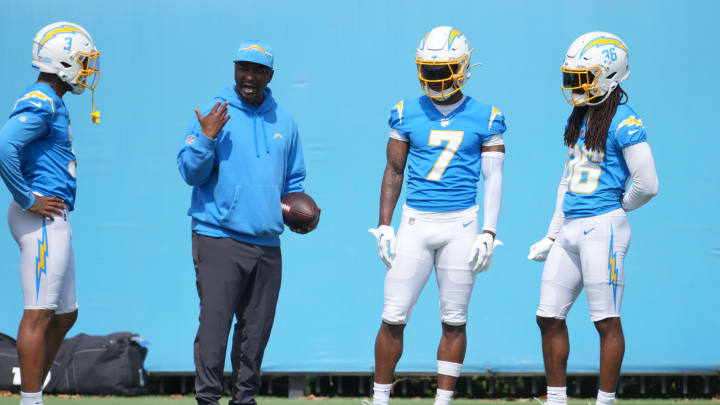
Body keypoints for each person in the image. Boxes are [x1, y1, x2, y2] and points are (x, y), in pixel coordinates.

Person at [367, 26, 505, 405]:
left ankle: (442, 402)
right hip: (415, 222)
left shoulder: (487, 116)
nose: (435, 77)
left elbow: (493, 178)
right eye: (429, 69)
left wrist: (489, 231)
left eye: (443, 69)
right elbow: (393, 171)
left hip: (462, 223)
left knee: (454, 319)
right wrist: (384, 225)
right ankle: (380, 399)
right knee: (393, 316)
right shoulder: (405, 111)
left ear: (462, 68)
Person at [177, 40, 317, 405]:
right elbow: (190, 173)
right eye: (243, 68)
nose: (249, 77)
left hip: (268, 244)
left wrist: (302, 213)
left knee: (255, 332)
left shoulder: (284, 122)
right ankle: (207, 398)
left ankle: (244, 399)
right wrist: (206, 138)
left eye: (257, 70)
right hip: (218, 237)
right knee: (215, 326)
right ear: (235, 70)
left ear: (270, 76)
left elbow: (294, 184)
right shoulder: (214, 112)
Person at [527, 32, 659, 405]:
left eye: (583, 76)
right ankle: (556, 399)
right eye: (573, 76)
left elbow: (648, 183)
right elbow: (566, 181)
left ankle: (605, 401)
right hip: (570, 228)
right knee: (547, 315)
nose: (575, 85)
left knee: (605, 320)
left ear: (610, 73)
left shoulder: (625, 120)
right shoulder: (580, 116)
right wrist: (551, 235)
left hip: (602, 227)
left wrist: (618, 207)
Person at [0, 22, 101, 405]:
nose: (87, 69)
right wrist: (28, 198)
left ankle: (33, 390)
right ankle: (30, 400)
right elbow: (4, 146)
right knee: (39, 313)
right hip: (41, 215)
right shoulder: (42, 99)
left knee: (64, 315)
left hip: (52, 215)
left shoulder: (52, 100)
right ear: (63, 61)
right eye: (83, 61)